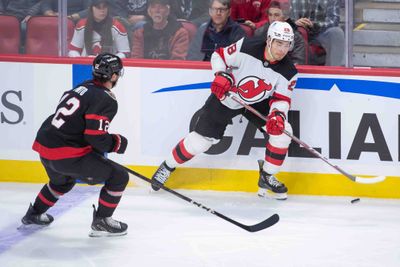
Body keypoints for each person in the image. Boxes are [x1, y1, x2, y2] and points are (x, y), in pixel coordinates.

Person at [151, 21, 298, 200]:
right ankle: (167, 166)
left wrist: (278, 115)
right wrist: (221, 74)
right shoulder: (247, 46)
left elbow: (282, 99)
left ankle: (267, 176)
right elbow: (218, 56)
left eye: (286, 44)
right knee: (200, 142)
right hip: (228, 96)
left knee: (284, 132)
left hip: (257, 103)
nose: (282, 49)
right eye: (278, 43)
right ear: (269, 40)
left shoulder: (289, 71)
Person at [21, 53, 130, 237]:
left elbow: (77, 126)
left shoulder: (81, 88)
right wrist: (117, 143)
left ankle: (34, 214)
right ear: (113, 76)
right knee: (119, 177)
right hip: (66, 154)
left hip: (45, 148)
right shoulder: (106, 99)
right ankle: (102, 221)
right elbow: (95, 137)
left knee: (61, 181)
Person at [290, 0, 344, 66]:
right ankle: (296, 69)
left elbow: (334, 20)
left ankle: (333, 72)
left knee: (337, 32)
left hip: (320, 32)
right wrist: (295, 23)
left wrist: (314, 25)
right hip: (297, 31)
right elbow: (284, 16)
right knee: (293, 32)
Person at [255, 0, 306, 65]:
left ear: (285, 17)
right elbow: (254, 56)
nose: (272, 19)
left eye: (276, 15)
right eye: (270, 15)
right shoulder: (259, 33)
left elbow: (298, 63)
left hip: (284, 71)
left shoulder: (296, 37)